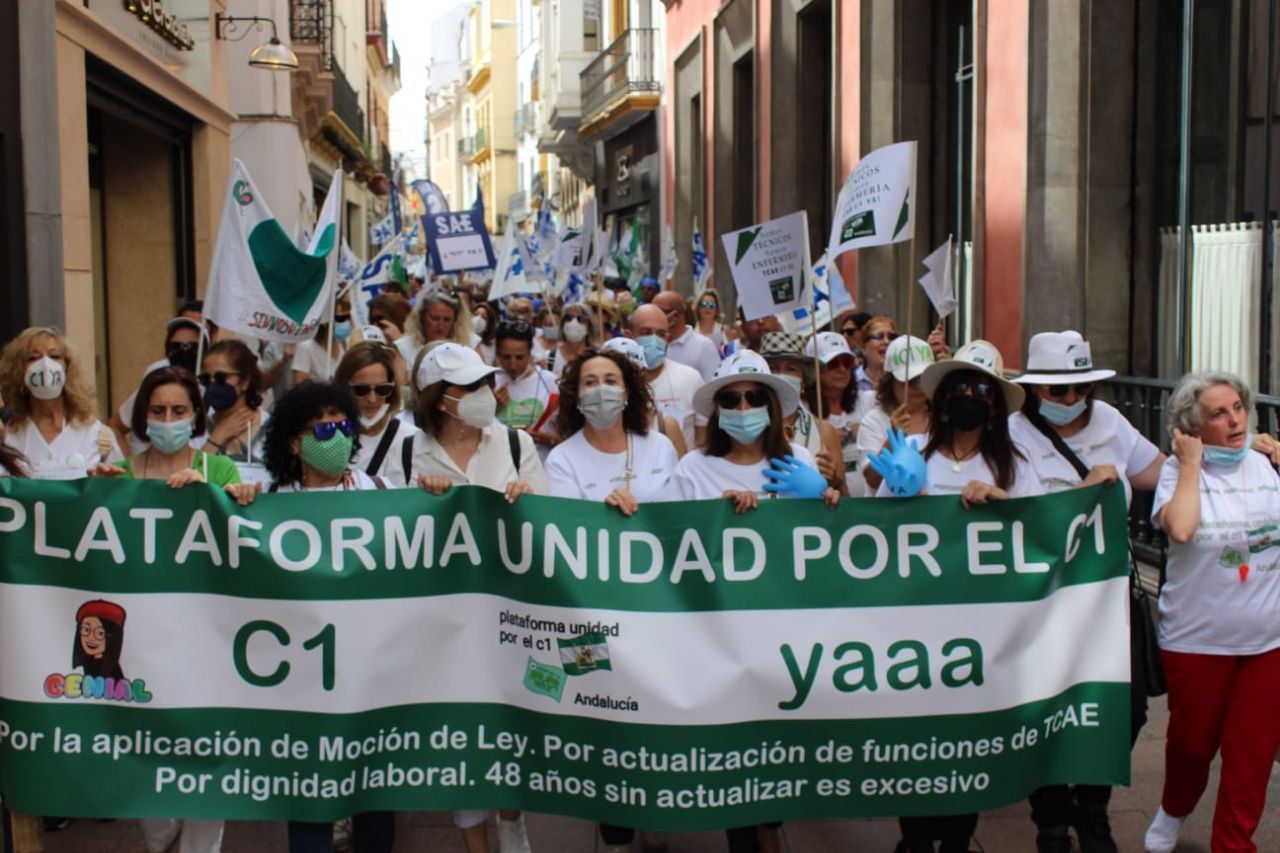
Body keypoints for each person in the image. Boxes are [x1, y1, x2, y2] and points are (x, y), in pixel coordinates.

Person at [668, 350, 837, 853]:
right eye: (731, 398)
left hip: (788, 629)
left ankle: (769, 825)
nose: (743, 406)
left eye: (754, 397)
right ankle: (752, 835)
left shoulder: (801, 462)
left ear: (772, 405)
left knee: (780, 741)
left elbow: (829, 545)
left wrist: (829, 500)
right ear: (717, 409)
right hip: (721, 633)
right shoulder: (693, 468)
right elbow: (663, 541)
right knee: (738, 743)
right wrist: (711, 516)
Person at [884, 341, 1043, 853]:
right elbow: (872, 538)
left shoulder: (1013, 467)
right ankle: (914, 836)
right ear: (941, 399)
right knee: (915, 737)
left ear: (994, 404)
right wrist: (904, 495)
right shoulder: (914, 457)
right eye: (957, 389)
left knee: (969, 736)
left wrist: (1003, 504)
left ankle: (956, 836)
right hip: (914, 627)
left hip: (981, 634)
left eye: (979, 389)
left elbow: (1042, 533)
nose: (968, 398)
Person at [408, 342, 540, 852]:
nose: (486, 393)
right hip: (439, 619)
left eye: (486, 383)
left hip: (507, 613)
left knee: (507, 727)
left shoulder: (512, 444)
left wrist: (528, 501)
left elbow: (550, 520)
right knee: (459, 732)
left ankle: (512, 823)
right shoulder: (406, 447)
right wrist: (421, 499)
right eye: (471, 386)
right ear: (441, 399)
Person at [1144, 372, 1280, 853]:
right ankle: (1173, 808)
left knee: (1252, 758)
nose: (1235, 419)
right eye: (1219, 413)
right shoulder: (1178, 473)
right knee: (1191, 749)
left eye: (1238, 408)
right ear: (1193, 427)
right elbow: (1180, 529)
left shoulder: (1267, 462)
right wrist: (1188, 466)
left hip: (1266, 643)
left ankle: (1234, 844)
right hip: (1197, 641)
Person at [545, 347, 679, 508]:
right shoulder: (561, 460)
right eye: (590, 382)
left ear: (626, 394)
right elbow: (567, 521)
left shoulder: (661, 447)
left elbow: (678, 511)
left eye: (610, 381)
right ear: (577, 398)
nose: (601, 389)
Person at [0, 326, 122, 478]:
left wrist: (101, 483)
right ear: (18, 371)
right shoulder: (6, 436)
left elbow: (122, 493)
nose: (45, 365)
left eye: (54, 356)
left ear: (67, 367)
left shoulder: (99, 436)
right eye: (33, 358)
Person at [91, 367, 240, 489]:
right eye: (157, 411)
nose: (168, 420)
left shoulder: (221, 470)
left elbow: (235, 521)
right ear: (144, 415)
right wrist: (95, 492)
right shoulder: (116, 476)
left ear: (195, 415)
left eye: (179, 411)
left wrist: (204, 494)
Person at [109, 316, 210, 453]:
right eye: (176, 347)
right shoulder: (152, 390)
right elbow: (114, 426)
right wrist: (129, 466)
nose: (184, 352)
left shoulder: (212, 393)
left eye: (192, 347)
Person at [757, 332, 844, 491]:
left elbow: (845, 499)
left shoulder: (823, 431)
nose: (781, 375)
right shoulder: (747, 428)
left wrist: (833, 480)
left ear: (803, 379)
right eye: (773, 368)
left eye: (791, 369)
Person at [336, 342, 422, 487]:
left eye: (382, 389)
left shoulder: (413, 439)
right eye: (361, 390)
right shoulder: (326, 437)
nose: (372, 399)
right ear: (343, 387)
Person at [858, 335, 934, 491]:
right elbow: (872, 480)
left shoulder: (942, 418)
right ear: (890, 382)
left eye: (925, 378)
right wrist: (892, 440)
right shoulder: (875, 420)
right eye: (911, 380)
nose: (919, 386)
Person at [805, 331, 876, 495]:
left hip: (871, 504)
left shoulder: (869, 400)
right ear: (814, 370)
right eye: (833, 364)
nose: (842, 369)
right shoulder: (803, 408)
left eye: (847, 362)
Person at [629, 304, 706, 449]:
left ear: (667, 338)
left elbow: (703, 437)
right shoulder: (619, 384)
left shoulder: (690, 378)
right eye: (645, 332)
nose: (653, 340)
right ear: (629, 336)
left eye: (660, 334)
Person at [598, 338, 689, 456]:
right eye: (610, 380)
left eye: (631, 375)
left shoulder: (665, 426)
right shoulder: (587, 431)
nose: (625, 384)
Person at [200, 340, 268, 478]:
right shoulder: (197, 430)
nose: (213, 385)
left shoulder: (272, 428)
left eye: (221, 378)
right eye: (206, 379)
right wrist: (216, 438)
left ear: (245, 382)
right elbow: (192, 476)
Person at [493, 321, 560, 457]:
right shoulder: (489, 381)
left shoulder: (550, 381)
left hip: (541, 462)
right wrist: (492, 407)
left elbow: (566, 432)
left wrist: (550, 439)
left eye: (519, 357)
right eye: (506, 357)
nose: (513, 364)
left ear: (530, 353)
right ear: (497, 354)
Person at [396, 290, 475, 370]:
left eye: (446, 320)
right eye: (435, 319)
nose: (440, 325)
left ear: (455, 321)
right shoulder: (404, 347)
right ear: (422, 317)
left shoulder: (468, 344)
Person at [652, 290, 720, 381]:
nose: (651, 316)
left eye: (657, 312)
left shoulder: (704, 346)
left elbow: (713, 385)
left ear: (674, 316)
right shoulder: (651, 343)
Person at [293, 292, 351, 384]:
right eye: (340, 319)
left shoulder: (346, 345)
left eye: (347, 317)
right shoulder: (305, 347)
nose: (345, 322)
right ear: (325, 320)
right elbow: (299, 389)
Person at [548, 303, 595, 377]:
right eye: (568, 318)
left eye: (581, 319)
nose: (574, 322)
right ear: (562, 323)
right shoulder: (549, 359)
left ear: (589, 326)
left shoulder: (597, 358)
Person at [855, 315, 898, 391]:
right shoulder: (851, 382)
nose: (886, 341)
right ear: (863, 348)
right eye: (879, 336)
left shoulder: (902, 383)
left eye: (891, 337)